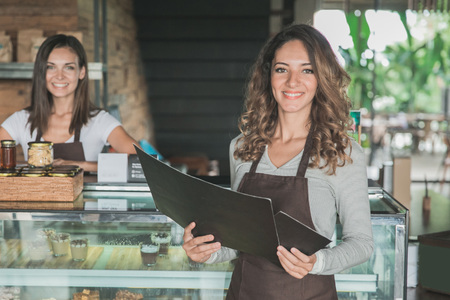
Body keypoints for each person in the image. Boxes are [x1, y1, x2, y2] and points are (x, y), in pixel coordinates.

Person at [182, 24, 374, 299]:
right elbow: (239, 241)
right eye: (282, 69)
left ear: (321, 78)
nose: (292, 81)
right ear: (268, 76)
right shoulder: (242, 147)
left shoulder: (342, 153)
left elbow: (362, 243)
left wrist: (317, 263)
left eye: (307, 70)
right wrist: (206, 252)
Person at [0, 34, 137, 172]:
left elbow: (139, 163)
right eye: (50, 67)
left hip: (84, 194)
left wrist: (81, 165)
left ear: (81, 72)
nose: (59, 76)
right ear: (42, 72)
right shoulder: (22, 119)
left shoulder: (99, 120)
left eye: (69, 67)